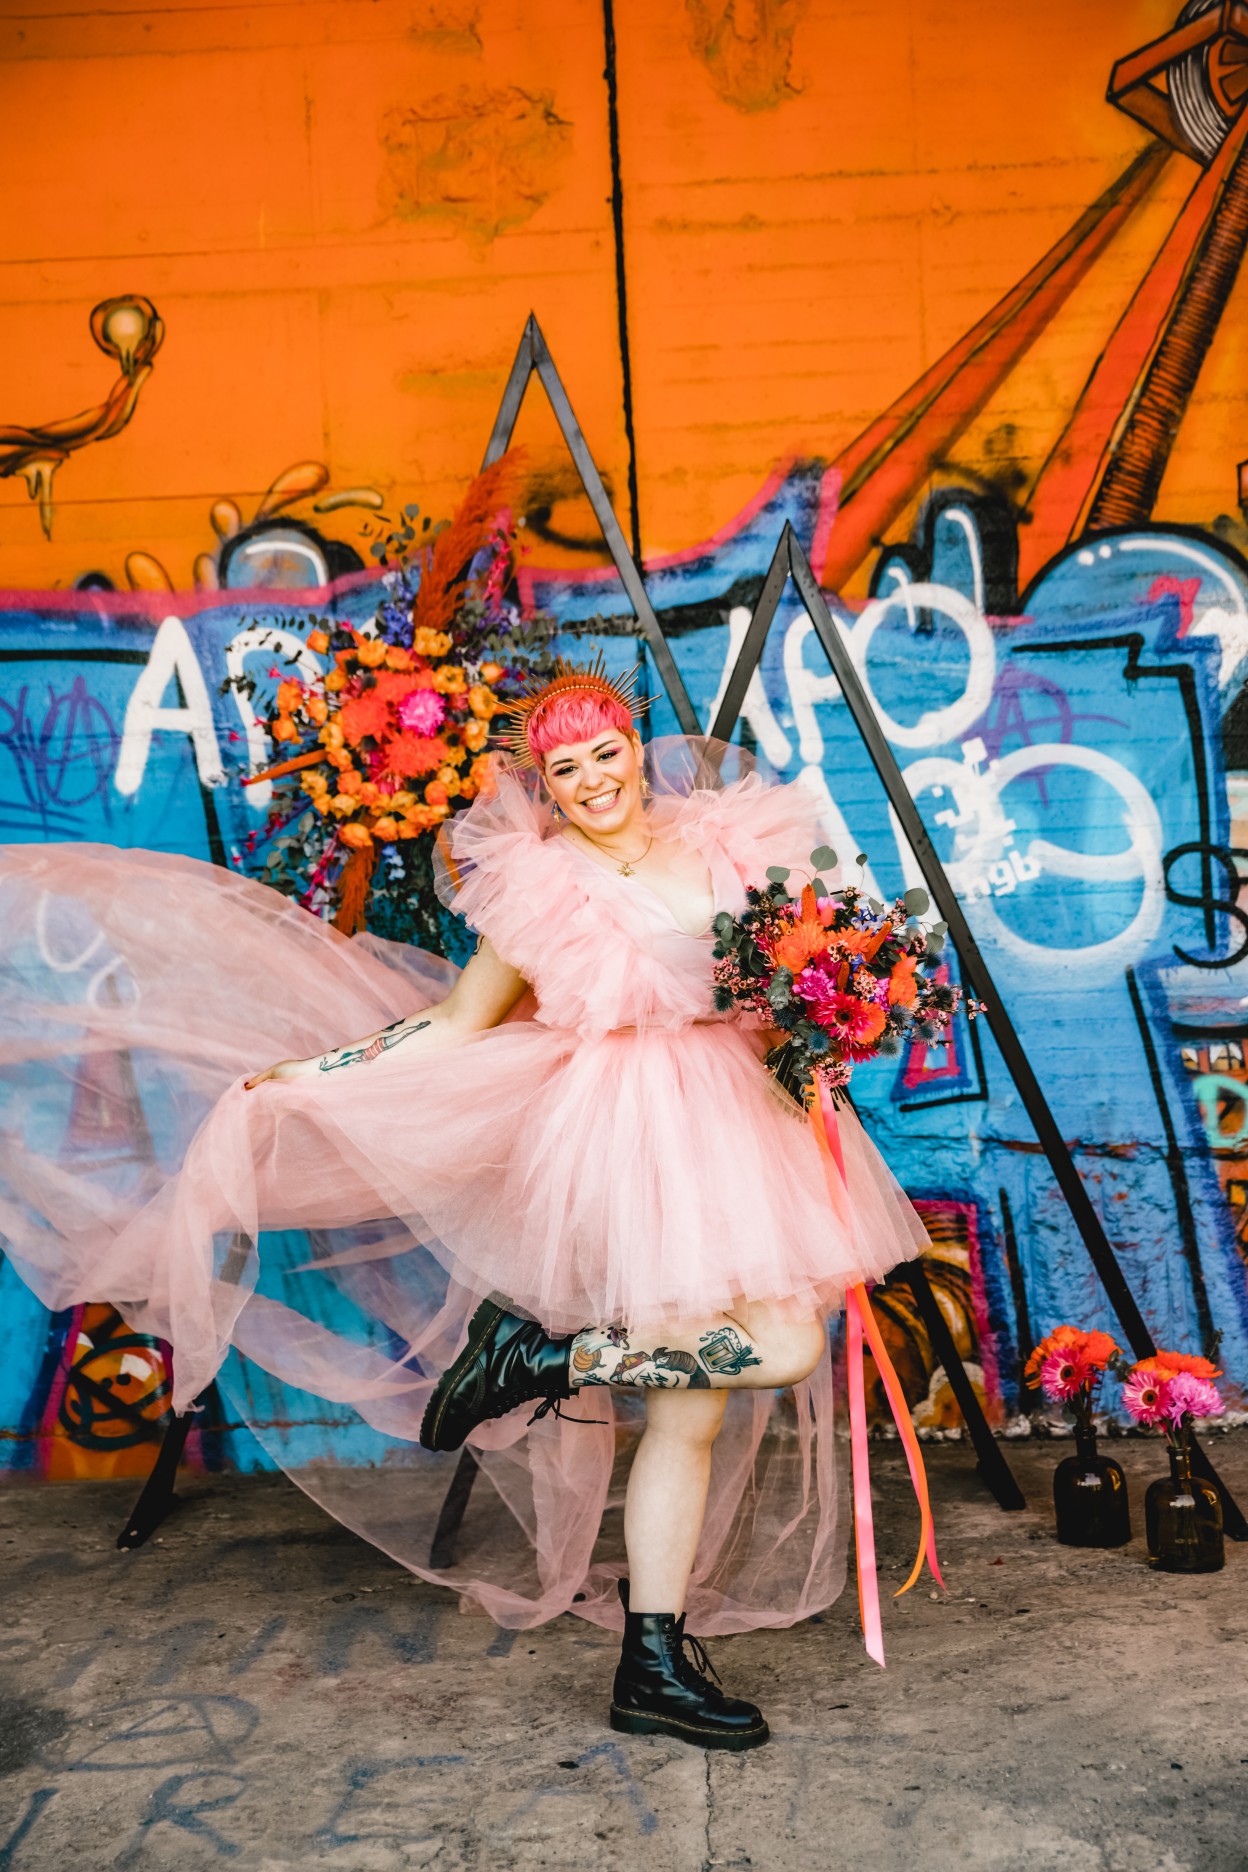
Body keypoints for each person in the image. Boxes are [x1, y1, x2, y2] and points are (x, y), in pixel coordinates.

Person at [0, 658, 929, 1750]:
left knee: (696, 1406)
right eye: (565, 768)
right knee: (774, 1351)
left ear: (637, 748)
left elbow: (816, 957)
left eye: (606, 754)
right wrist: (311, 1076)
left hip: (744, 1119)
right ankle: (539, 1367)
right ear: (544, 781)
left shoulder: (735, 839)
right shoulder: (540, 892)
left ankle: (649, 1655)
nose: (591, 782)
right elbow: (455, 1024)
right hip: (632, 1139)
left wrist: (842, 1009)